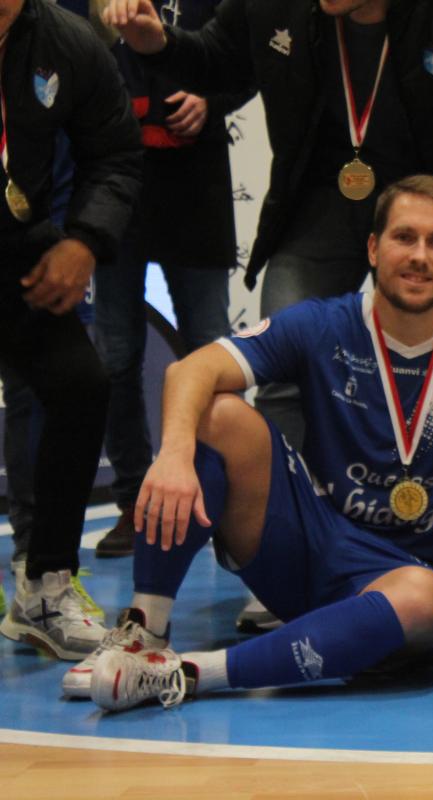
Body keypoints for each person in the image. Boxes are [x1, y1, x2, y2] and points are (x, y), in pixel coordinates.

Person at [66, 175, 433, 711]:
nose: (419, 256)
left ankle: (182, 674)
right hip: (316, 547)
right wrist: (175, 455)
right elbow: (190, 370)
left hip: (413, 580)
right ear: (373, 248)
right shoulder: (325, 323)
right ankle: (145, 631)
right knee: (218, 412)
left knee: (426, 598)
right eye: (404, 237)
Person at [102, 0, 433, 449]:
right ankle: (284, 507)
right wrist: (157, 44)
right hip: (323, 202)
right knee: (282, 363)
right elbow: (219, 60)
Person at [0, 0, 142, 660]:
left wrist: (85, 240)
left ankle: (44, 589)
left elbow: (114, 153)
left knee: (82, 385)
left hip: (20, 254)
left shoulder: (68, 41)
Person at [92, 0, 253, 558]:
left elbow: (246, 65)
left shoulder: (219, 6)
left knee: (213, 350)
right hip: (115, 187)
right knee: (115, 354)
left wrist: (214, 102)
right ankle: (134, 501)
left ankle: (221, 500)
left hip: (198, 190)